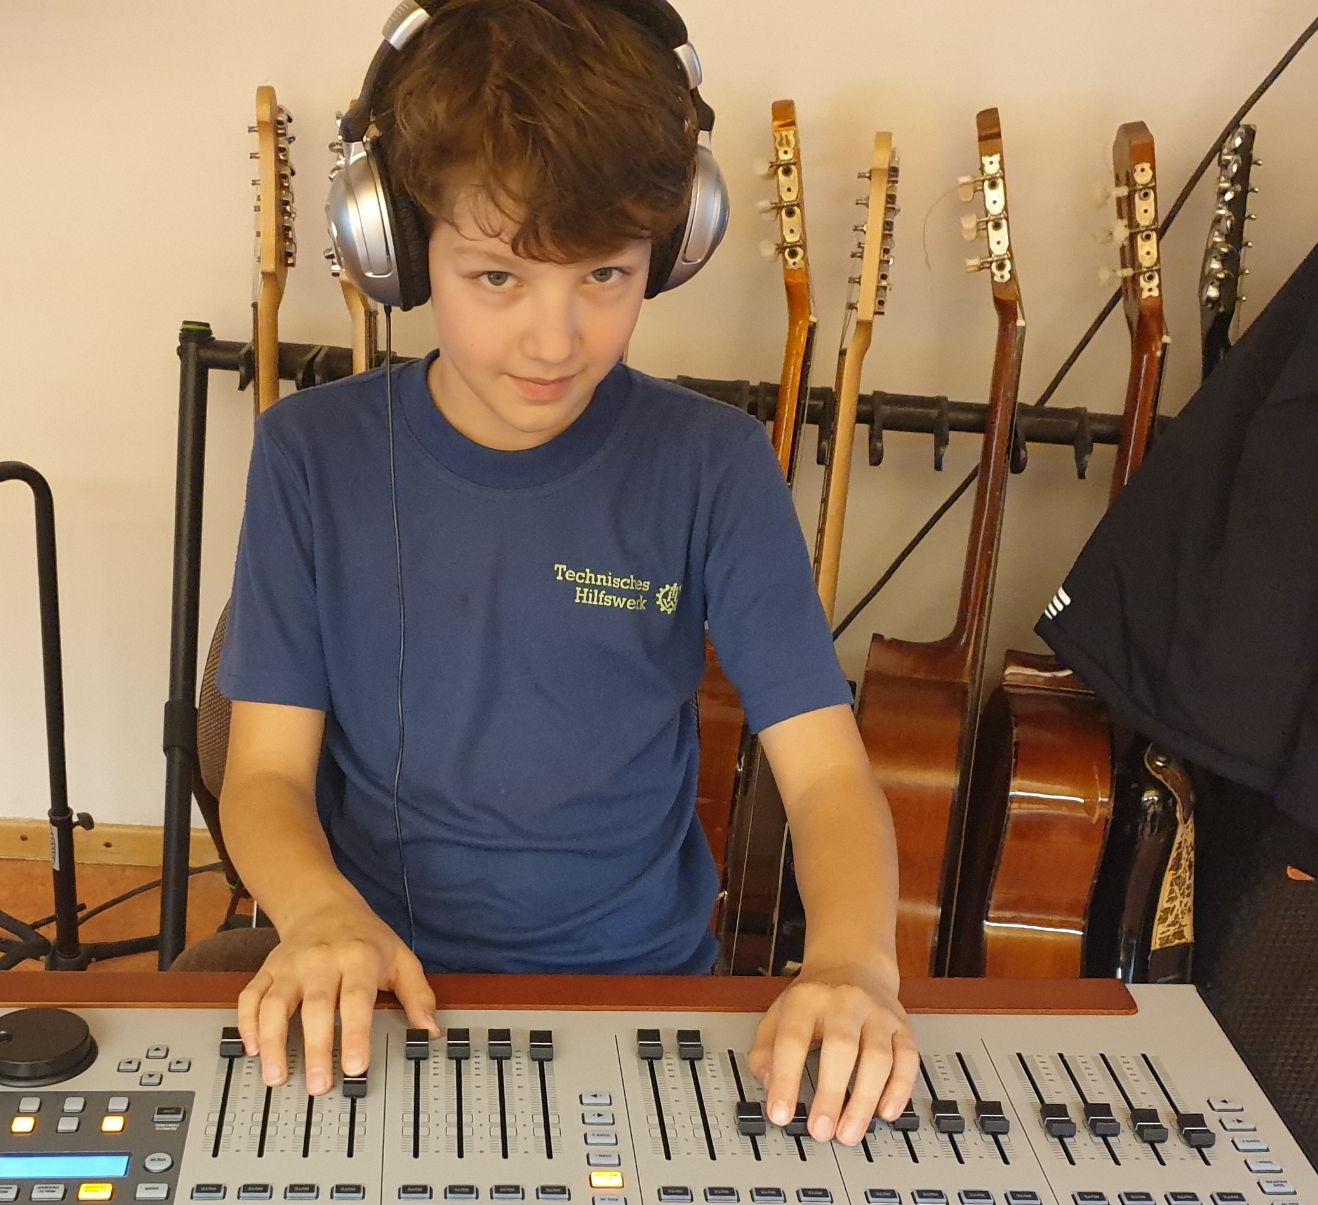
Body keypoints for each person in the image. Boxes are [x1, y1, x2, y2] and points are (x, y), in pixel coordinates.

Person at [209, 0, 916, 1144]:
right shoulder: (310, 455)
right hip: (374, 991)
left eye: (604, 275)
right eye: (497, 278)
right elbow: (264, 775)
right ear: (400, 251)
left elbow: (829, 774)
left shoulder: (716, 464)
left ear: (667, 253)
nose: (555, 339)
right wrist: (320, 916)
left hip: (642, 993)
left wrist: (852, 964)